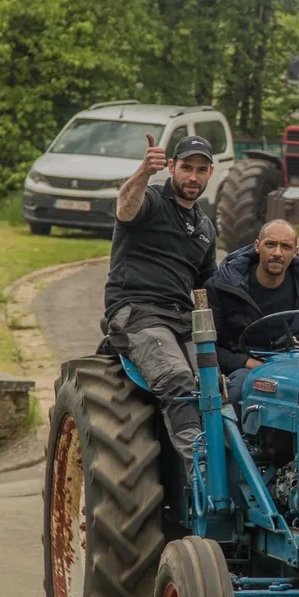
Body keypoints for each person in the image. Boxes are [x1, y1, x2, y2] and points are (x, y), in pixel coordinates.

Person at [102, 132, 218, 485]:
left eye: (201, 170)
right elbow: (124, 207)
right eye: (186, 168)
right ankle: (203, 474)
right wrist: (143, 172)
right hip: (136, 311)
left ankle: (229, 464)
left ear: (210, 173)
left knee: (217, 386)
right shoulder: (151, 198)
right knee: (178, 379)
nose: (193, 177)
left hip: (181, 319)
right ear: (171, 167)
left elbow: (206, 289)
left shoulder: (205, 227)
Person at [204, 220, 299, 413]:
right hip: (242, 370)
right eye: (270, 244)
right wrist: (249, 363)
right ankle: (232, 443)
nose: (277, 253)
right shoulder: (223, 286)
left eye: (285, 247)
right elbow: (207, 348)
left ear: (296, 251)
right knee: (240, 389)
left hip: (295, 370)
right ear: (257, 246)